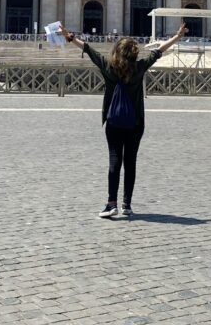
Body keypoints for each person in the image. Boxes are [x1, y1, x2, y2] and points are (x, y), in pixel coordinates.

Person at [58, 21, 188, 219]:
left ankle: (112, 204)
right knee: (130, 162)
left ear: (117, 52)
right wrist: (178, 37)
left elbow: (88, 49)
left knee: (114, 160)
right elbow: (159, 51)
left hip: (114, 122)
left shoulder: (108, 67)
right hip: (135, 123)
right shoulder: (139, 67)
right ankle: (127, 204)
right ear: (134, 53)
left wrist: (69, 36)